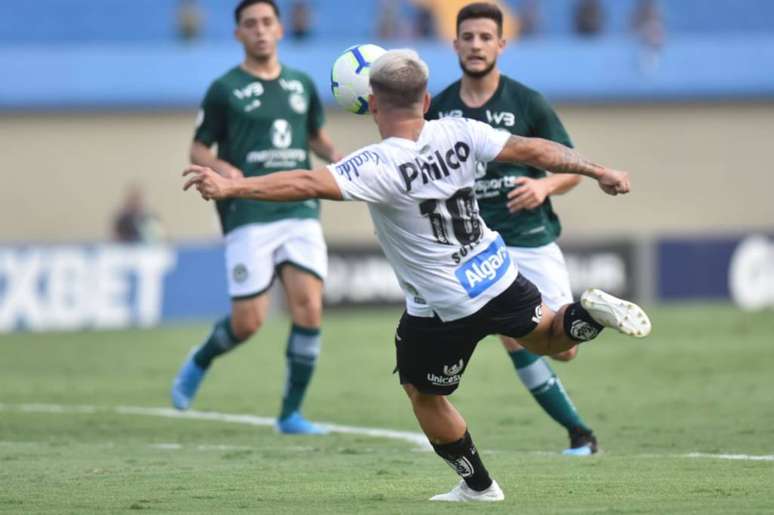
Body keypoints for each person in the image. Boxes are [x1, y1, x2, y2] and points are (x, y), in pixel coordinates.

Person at [181, 49, 651, 502]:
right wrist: (598, 170)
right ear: (426, 101)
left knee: (423, 394)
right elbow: (534, 149)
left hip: (442, 306)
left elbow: (305, 181)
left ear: (374, 105)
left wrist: (231, 184)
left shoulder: (377, 163)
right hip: (496, 271)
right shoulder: (461, 131)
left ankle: (479, 487)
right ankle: (587, 314)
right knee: (553, 339)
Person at [425, 2, 597, 456]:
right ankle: (580, 434)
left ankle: (593, 318)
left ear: (502, 43)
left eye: (486, 37)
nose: (476, 45)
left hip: (530, 238)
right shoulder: (438, 110)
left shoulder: (527, 102)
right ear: (455, 42)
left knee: (563, 349)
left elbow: (572, 168)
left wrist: (544, 190)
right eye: (468, 37)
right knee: (512, 334)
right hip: (475, 250)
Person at [170, 0, 342, 435]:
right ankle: (202, 358)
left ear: (281, 29)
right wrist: (223, 169)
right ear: (238, 35)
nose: (260, 31)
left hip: (299, 205)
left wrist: (341, 159)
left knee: (309, 307)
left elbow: (317, 137)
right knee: (248, 323)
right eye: (251, 24)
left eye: (267, 22)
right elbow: (199, 147)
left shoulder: (302, 84)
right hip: (247, 208)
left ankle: (290, 414)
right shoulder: (224, 89)